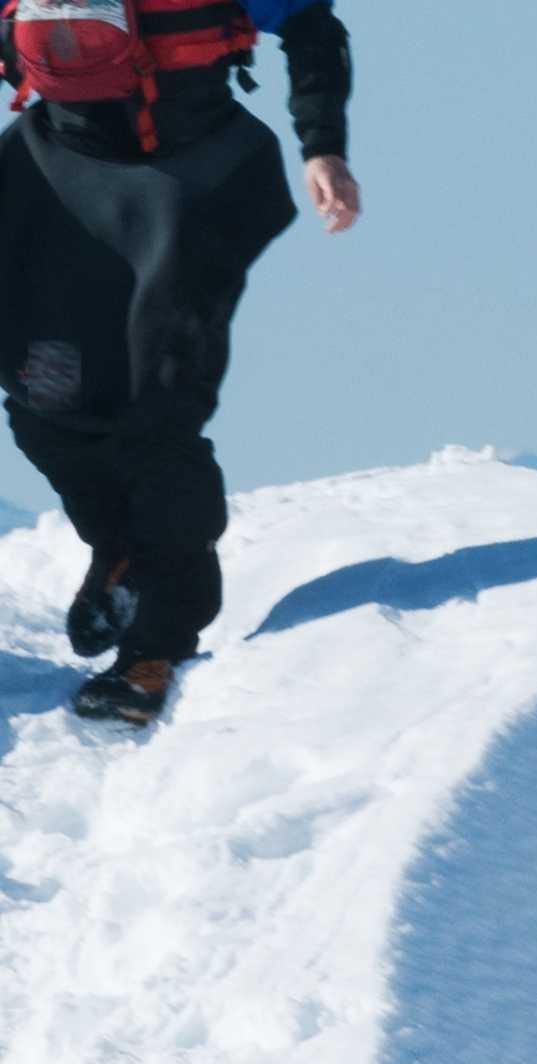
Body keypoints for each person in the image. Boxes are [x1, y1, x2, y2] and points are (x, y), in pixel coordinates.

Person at [0, 0, 358, 725]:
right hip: (55, 175)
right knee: (46, 406)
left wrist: (323, 147)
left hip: (197, 179)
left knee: (158, 410)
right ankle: (120, 550)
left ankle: (157, 646)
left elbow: (313, 25)